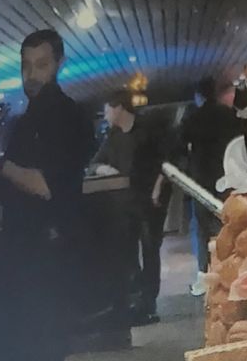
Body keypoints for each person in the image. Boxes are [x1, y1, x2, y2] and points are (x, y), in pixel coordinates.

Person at [0, 29, 94, 361]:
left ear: (58, 64)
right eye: (26, 66)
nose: (31, 75)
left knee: (38, 346)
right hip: (29, 253)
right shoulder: (28, 118)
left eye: (41, 65)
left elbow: (45, 185)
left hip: (45, 255)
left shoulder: (64, 114)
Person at [92, 90, 173, 325]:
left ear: (118, 108)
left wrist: (158, 188)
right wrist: (103, 169)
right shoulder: (114, 137)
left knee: (150, 250)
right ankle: (136, 300)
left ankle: (149, 304)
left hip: (151, 201)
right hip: (127, 204)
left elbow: (167, 161)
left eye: (107, 109)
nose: (105, 114)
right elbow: (96, 162)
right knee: (128, 252)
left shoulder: (148, 129)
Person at [182, 77, 241, 295]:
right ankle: (231, 272)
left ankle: (206, 276)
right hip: (227, 178)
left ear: (199, 96)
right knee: (229, 226)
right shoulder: (228, 114)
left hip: (201, 180)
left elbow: (181, 143)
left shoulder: (194, 117)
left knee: (202, 230)